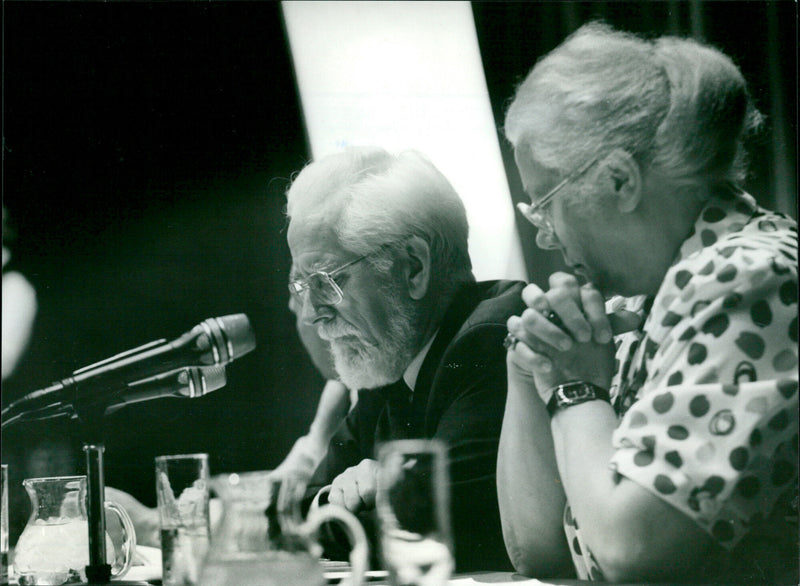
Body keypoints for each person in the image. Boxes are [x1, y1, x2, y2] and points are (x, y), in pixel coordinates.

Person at [497, 23, 798, 584]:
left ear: (618, 180)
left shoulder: (746, 277)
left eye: (545, 204)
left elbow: (633, 551)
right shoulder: (657, 293)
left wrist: (572, 386)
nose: (544, 234)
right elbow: (540, 553)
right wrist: (528, 370)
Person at [286, 146, 568, 574]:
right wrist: (334, 498)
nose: (312, 313)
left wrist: (352, 506)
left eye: (326, 281)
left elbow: (431, 528)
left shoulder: (493, 338)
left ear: (413, 267)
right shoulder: (389, 356)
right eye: (304, 288)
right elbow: (300, 510)